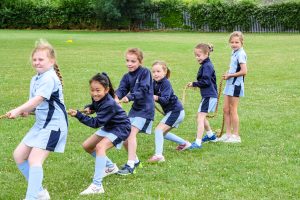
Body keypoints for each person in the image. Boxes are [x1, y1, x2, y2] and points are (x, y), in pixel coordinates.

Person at [6, 39, 68, 200]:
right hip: (40, 125)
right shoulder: (36, 79)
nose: (37, 62)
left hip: (54, 125)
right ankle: (40, 192)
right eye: (34, 59)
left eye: (41, 59)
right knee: (19, 155)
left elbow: (38, 99)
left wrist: (19, 109)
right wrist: (26, 111)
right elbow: (34, 104)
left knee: (34, 159)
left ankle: (32, 197)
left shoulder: (49, 77)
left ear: (52, 61)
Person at [68, 73, 131, 195]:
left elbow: (96, 123)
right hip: (109, 125)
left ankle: (97, 185)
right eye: (92, 90)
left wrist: (78, 115)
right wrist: (90, 108)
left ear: (106, 90)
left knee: (100, 147)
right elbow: (96, 105)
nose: (95, 93)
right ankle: (110, 167)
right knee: (87, 146)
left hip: (121, 128)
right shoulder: (98, 98)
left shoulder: (109, 104)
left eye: (98, 90)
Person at [115, 48, 155, 175]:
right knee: (125, 136)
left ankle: (130, 166)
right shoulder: (126, 76)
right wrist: (115, 98)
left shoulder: (145, 73)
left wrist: (129, 97)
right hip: (135, 110)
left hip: (146, 109)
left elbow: (144, 89)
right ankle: (136, 161)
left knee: (131, 134)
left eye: (133, 61)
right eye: (127, 61)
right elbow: (121, 89)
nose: (129, 64)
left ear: (140, 61)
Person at [148, 61, 191, 162]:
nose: (155, 74)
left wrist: (155, 97)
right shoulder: (155, 83)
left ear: (164, 72)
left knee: (158, 130)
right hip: (172, 112)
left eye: (158, 71)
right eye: (153, 72)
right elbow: (148, 92)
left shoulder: (166, 83)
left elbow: (165, 99)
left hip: (176, 111)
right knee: (162, 133)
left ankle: (159, 156)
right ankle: (185, 144)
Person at [218, 31, 247, 143]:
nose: (234, 44)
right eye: (232, 42)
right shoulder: (234, 52)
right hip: (229, 84)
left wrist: (230, 75)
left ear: (241, 43)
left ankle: (236, 136)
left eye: (237, 42)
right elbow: (234, 67)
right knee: (225, 109)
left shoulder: (241, 54)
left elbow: (244, 71)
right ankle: (228, 134)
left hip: (236, 85)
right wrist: (228, 72)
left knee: (233, 110)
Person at [187, 43, 218, 149]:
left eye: (199, 55)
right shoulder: (205, 65)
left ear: (206, 54)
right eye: (195, 55)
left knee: (200, 118)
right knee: (201, 116)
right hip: (208, 95)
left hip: (209, 95)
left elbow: (206, 81)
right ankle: (211, 136)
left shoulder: (207, 66)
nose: (197, 57)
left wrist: (194, 84)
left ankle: (198, 142)